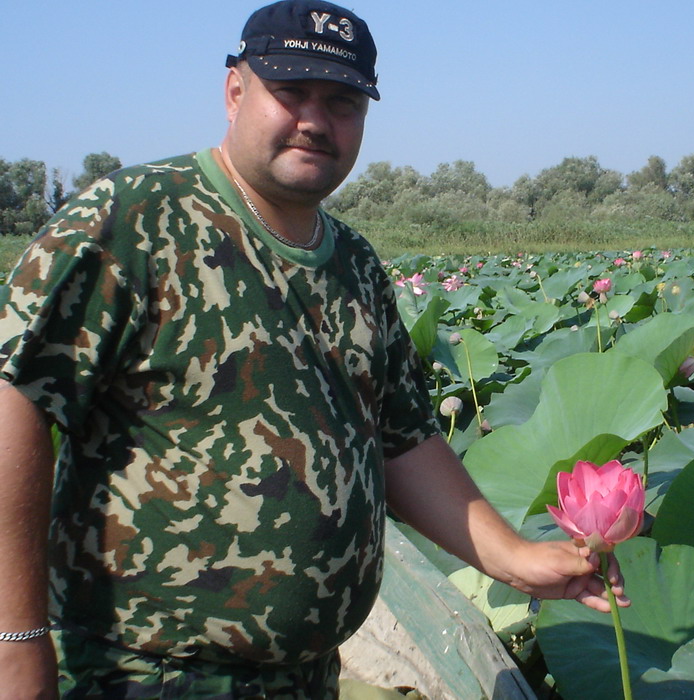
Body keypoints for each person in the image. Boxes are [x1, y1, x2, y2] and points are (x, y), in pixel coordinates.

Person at [0, 1, 626, 697]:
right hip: (143, 673)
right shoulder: (132, 219)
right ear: (235, 91)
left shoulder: (353, 262)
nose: (314, 121)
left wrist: (514, 559)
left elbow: (403, 440)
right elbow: (16, 403)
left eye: (342, 102)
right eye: (290, 92)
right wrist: (16, 645)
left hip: (306, 676)